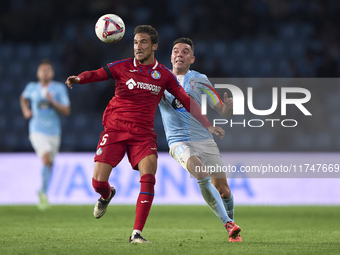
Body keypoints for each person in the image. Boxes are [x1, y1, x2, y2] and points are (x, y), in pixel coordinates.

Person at [65, 25, 226, 244]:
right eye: (135, 42)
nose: (138, 47)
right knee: (97, 182)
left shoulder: (164, 75)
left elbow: (187, 101)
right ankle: (106, 195)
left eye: (143, 42)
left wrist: (207, 125)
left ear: (154, 46)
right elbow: (98, 74)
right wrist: (80, 79)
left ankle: (136, 234)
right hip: (115, 129)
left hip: (143, 134)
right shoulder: (122, 67)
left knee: (148, 177)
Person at [158, 37, 242, 242]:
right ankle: (228, 224)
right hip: (178, 141)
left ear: (192, 58)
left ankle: (232, 229)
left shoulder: (199, 79)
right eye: (176, 51)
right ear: (171, 56)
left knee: (224, 190)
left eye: (185, 51)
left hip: (204, 139)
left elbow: (221, 109)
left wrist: (228, 108)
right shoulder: (158, 78)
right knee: (202, 175)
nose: (180, 54)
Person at [20, 59, 71, 210]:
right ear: (37, 73)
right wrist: (26, 110)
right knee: (46, 158)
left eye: (48, 69)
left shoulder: (59, 88)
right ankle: (43, 193)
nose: (45, 72)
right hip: (37, 130)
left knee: (49, 164)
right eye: (42, 70)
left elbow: (67, 110)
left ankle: (43, 191)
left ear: (52, 73)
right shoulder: (31, 87)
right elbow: (23, 98)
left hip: (54, 132)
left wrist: (52, 101)